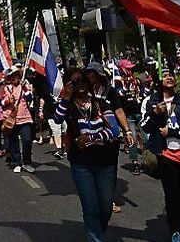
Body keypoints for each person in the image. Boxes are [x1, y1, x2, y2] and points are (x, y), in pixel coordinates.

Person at [54, 72, 120, 242]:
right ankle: (96, 239)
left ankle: (97, 233)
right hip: (81, 164)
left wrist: (92, 138)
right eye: (75, 82)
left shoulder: (100, 103)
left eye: (83, 80)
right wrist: (66, 97)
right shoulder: (67, 106)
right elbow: (57, 119)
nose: (81, 84)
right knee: (91, 207)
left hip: (105, 161)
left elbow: (115, 130)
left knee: (105, 207)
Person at [141, 67, 180, 242]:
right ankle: (175, 229)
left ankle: (179, 222)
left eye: (171, 75)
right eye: (165, 75)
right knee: (171, 193)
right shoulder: (150, 101)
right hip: (164, 155)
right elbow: (144, 126)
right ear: (158, 80)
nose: (170, 78)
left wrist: (175, 133)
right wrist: (155, 113)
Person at [1, 66, 35, 173]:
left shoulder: (25, 86)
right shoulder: (6, 88)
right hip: (11, 119)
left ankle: (27, 162)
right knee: (13, 141)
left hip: (25, 118)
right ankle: (16, 162)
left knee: (27, 140)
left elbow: (30, 99)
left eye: (16, 75)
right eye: (12, 76)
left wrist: (25, 89)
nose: (14, 78)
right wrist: (7, 101)